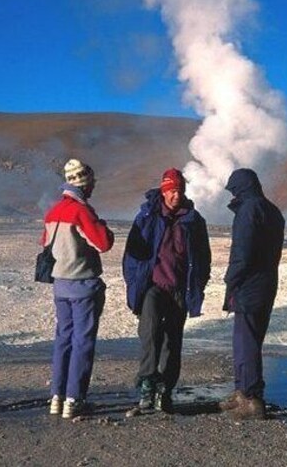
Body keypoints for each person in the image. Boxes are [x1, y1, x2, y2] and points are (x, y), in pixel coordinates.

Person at [122, 168, 211, 413]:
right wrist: (134, 283)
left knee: (173, 340)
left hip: (179, 289)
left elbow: (203, 258)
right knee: (149, 334)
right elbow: (131, 255)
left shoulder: (194, 221)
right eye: (171, 190)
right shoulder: (147, 217)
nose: (175, 195)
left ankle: (166, 389)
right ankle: (148, 384)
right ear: (163, 191)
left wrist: (198, 284)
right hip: (153, 286)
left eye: (179, 190)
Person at [43, 159, 114, 419]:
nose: (93, 185)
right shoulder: (82, 211)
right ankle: (74, 398)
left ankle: (56, 396)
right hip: (82, 284)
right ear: (83, 182)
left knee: (63, 340)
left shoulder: (52, 211)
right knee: (82, 342)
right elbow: (103, 243)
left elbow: (45, 243)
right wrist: (104, 227)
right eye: (91, 181)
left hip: (60, 285)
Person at [218, 168, 285, 420]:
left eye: (234, 189)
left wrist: (231, 279)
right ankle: (242, 391)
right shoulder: (273, 211)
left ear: (242, 187)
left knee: (245, 341)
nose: (233, 194)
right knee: (251, 339)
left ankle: (251, 397)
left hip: (249, 284)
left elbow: (242, 252)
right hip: (267, 282)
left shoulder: (249, 210)